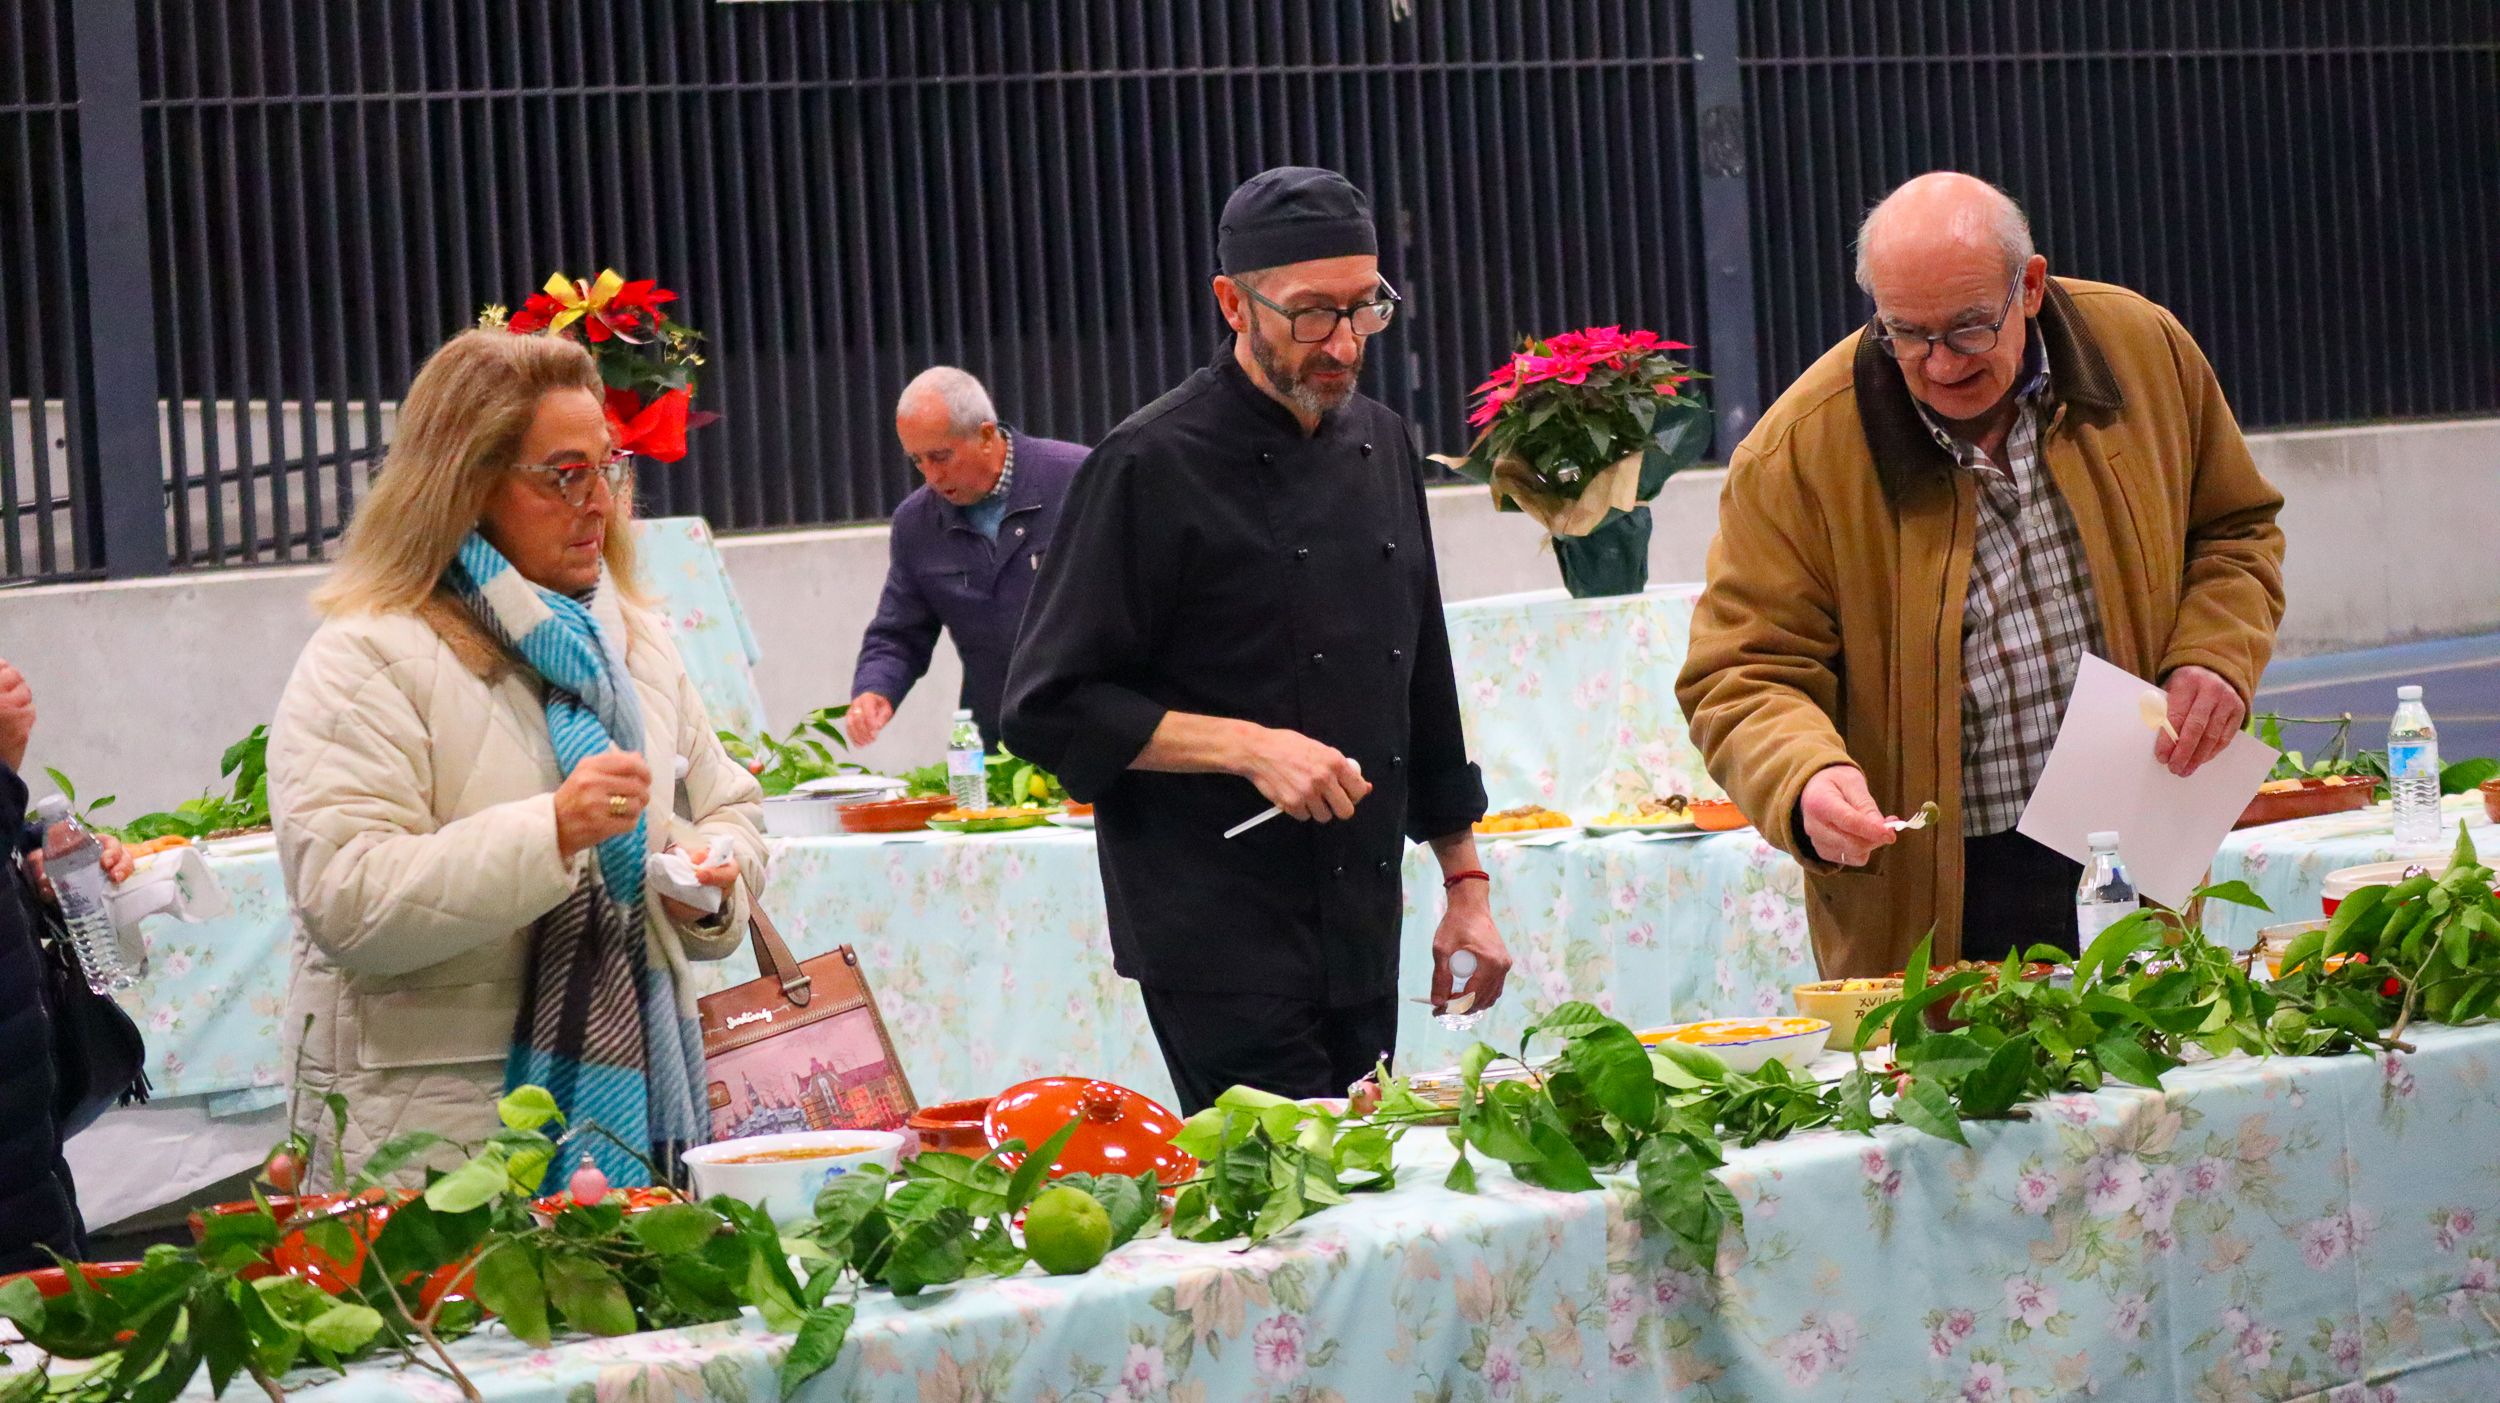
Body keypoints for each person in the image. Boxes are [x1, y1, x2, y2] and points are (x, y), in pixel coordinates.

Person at [1677, 172, 2285, 974]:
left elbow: (2234, 528)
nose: (1937, 364)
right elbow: (1742, 673)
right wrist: (1805, 776)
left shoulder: (2142, 352)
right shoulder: (1797, 454)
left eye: (1967, 329)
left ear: (2029, 287)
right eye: (1906, 333)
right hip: (1934, 894)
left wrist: (2214, 652)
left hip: (2135, 849)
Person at [1003, 165, 1512, 1114]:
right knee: (1286, 1219)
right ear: (1233, 303)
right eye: (1312, 314)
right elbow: (1045, 705)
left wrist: (1465, 879)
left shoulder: (1387, 441)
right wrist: (1246, 744)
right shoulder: (1146, 464)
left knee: (1373, 1193)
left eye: (1366, 308)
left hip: (1362, 917)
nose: (1345, 342)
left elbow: (1423, 677)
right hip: (1218, 929)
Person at [270, 330, 768, 1186]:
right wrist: (553, 832)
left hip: (639, 1128)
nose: (600, 503)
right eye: (564, 475)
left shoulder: (631, 643)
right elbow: (345, 900)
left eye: (608, 468)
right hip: (438, 1143)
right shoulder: (369, 654)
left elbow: (731, 808)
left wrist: (713, 883)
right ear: (467, 484)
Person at [844, 368, 1086, 751]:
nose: (931, 476)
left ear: (986, 435)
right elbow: (900, 631)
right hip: (997, 742)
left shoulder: (1078, 480)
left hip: (1097, 725)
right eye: (917, 461)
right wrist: (876, 688)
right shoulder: (917, 524)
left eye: (941, 457)